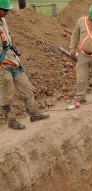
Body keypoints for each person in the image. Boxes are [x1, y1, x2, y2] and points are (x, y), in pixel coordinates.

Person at [0, 0, 49, 130]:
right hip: (2, 66)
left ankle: (33, 113)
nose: (8, 12)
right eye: (5, 10)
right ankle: (10, 120)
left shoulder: (3, 21)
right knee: (6, 95)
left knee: (26, 87)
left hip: (13, 61)